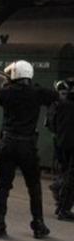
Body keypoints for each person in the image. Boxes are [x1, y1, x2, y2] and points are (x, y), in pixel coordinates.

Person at [0, 60, 58, 239]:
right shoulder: (37, 92)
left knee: (3, 186)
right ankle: (38, 224)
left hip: (8, 142)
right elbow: (53, 95)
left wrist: (7, 83)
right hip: (27, 145)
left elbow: (0, 97)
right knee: (34, 186)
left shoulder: (5, 92)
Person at [52, 78, 74, 221]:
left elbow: (52, 124)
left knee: (67, 174)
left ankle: (61, 203)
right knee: (71, 177)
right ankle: (64, 208)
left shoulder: (61, 104)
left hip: (61, 144)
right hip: (70, 144)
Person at [46, 80, 69, 204]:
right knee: (67, 170)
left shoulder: (53, 105)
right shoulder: (62, 105)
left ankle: (60, 191)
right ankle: (60, 188)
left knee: (64, 168)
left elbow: (49, 124)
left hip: (58, 139)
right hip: (64, 140)